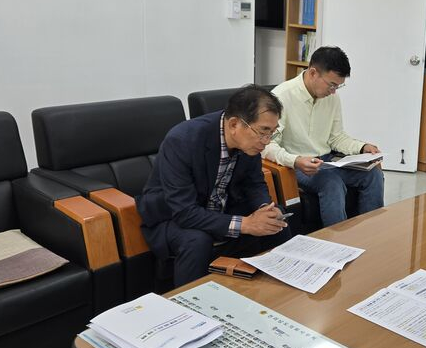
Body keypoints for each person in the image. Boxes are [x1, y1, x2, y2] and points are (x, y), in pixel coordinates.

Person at [136, 85, 290, 287]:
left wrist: (264, 209)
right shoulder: (182, 140)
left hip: (222, 207)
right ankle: (189, 301)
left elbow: (254, 184)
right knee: (197, 240)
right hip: (173, 215)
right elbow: (184, 212)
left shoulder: (250, 142)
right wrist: (246, 224)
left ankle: (284, 288)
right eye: (263, 132)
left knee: (275, 221)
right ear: (234, 124)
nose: (267, 141)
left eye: (272, 132)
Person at [262, 46, 384, 227]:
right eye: (332, 84)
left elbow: (336, 137)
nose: (334, 91)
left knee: (373, 174)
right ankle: (336, 241)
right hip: (297, 166)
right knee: (331, 182)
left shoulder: (332, 97)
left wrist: (362, 147)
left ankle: (370, 232)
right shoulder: (281, 97)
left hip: (327, 162)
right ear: (313, 73)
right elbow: (267, 145)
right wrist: (296, 160)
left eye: (338, 86)